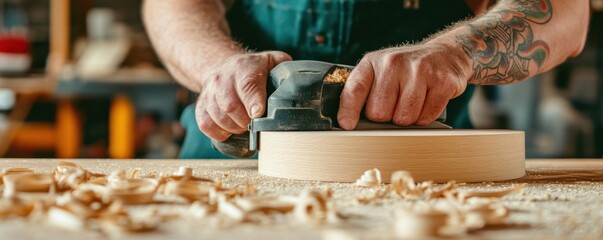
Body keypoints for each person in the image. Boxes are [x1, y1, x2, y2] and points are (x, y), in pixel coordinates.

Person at [142, 0, 589, 159]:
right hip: (237, 162)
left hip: (421, 180)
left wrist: (455, 54)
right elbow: (172, 6)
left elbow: (567, 12)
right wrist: (217, 66)